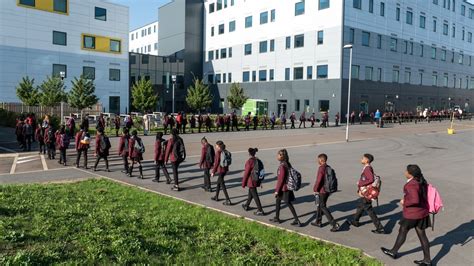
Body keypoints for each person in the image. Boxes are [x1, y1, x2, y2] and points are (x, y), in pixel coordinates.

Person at [381, 165, 432, 265]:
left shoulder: (411, 184)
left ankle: (393, 252)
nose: (405, 172)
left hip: (412, 214)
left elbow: (414, 200)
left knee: (402, 231)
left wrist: (404, 201)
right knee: (422, 236)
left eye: (406, 171)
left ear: (410, 174)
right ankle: (427, 260)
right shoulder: (421, 181)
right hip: (422, 213)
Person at [349, 154, 385, 234]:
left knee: (369, 210)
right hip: (365, 192)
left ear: (367, 160)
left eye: (363, 158)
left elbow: (371, 179)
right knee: (360, 206)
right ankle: (355, 221)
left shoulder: (367, 168)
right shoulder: (367, 168)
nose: (361, 159)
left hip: (367, 192)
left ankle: (379, 227)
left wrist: (361, 183)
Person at [270, 149, 301, 226]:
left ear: (282, 156)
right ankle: (277, 218)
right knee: (278, 201)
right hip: (286, 187)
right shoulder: (287, 163)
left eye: (278, 155)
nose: (277, 156)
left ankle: (297, 220)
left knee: (288, 203)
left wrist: (277, 190)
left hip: (284, 189)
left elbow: (281, 180)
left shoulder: (282, 166)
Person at [311, 154, 340, 232]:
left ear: (321, 160)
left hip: (322, 191)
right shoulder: (328, 167)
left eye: (318, 159)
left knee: (323, 206)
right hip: (327, 190)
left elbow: (319, 180)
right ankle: (318, 221)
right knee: (320, 206)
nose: (317, 161)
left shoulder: (321, 168)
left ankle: (334, 224)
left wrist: (315, 189)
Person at [241, 148, 265, 216]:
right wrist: (261, 181)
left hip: (251, 180)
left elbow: (246, 173)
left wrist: (243, 183)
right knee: (251, 193)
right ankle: (246, 205)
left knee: (255, 195)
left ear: (249, 154)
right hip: (257, 179)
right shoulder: (258, 160)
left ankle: (260, 210)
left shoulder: (249, 161)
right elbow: (262, 171)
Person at [211, 140, 232, 205]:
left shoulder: (218, 152)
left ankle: (228, 200)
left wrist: (213, 172)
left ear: (219, 146)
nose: (215, 146)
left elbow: (216, 163)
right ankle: (216, 196)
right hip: (225, 169)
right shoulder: (225, 151)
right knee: (218, 183)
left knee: (222, 185)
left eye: (216, 145)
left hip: (220, 170)